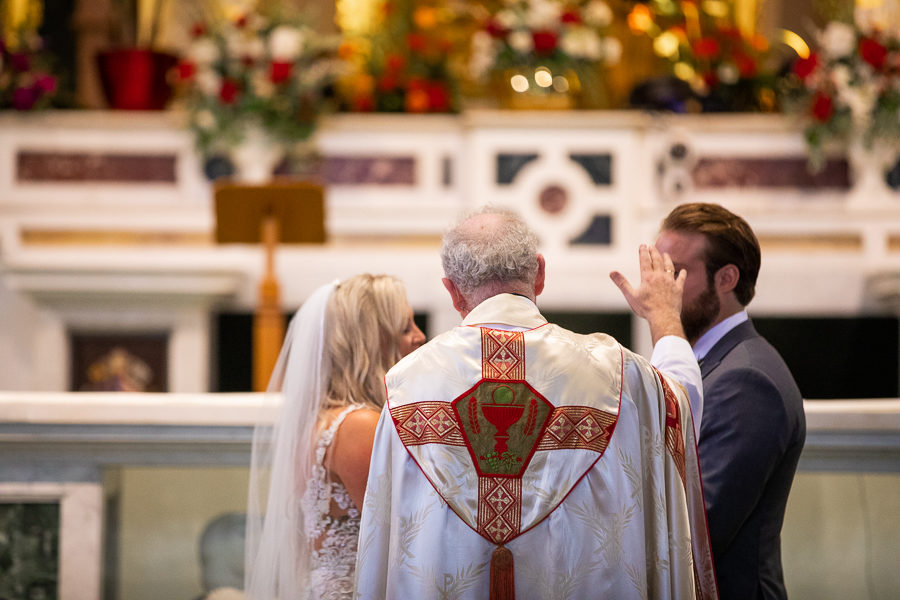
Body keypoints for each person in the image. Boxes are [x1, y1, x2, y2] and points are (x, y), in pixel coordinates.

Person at [355, 208, 717, 599]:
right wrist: (664, 316)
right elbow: (681, 409)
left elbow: (384, 540)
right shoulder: (618, 372)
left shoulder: (407, 384)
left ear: (452, 291)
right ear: (539, 273)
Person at [655, 203, 806, 600]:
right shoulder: (717, 363)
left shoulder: (747, 378)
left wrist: (664, 327)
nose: (659, 288)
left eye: (674, 272)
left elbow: (698, 529)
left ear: (726, 278)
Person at [243, 274, 425, 600]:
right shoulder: (358, 426)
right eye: (405, 327)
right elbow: (403, 540)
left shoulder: (320, 421)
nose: (420, 337)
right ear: (371, 342)